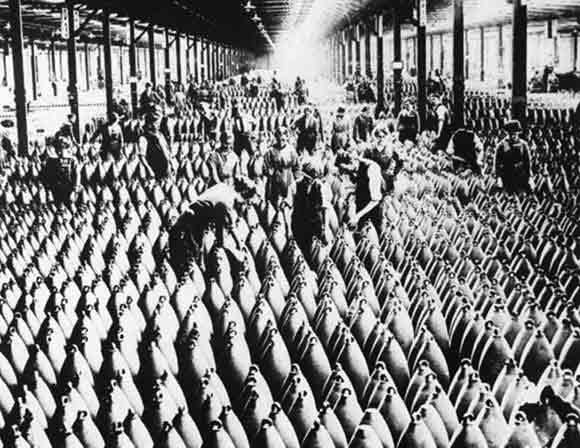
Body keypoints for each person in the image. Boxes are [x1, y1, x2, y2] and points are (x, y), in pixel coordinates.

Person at [168, 178, 257, 275]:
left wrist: (237, 243)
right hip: (187, 226)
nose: (243, 204)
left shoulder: (223, 187)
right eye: (245, 201)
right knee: (190, 260)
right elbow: (223, 236)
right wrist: (239, 252)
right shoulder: (226, 203)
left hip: (191, 221)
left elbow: (227, 225)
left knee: (197, 254)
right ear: (243, 193)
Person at [336, 150, 399, 235]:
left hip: (373, 204)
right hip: (365, 195)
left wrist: (357, 216)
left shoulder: (373, 170)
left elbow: (375, 200)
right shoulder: (360, 162)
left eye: (347, 166)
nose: (348, 169)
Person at [292, 157, 332, 256]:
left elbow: (325, 208)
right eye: (308, 179)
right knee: (303, 250)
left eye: (312, 179)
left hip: (316, 223)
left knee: (317, 252)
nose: (310, 181)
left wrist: (326, 227)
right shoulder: (295, 185)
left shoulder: (320, 187)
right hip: (300, 223)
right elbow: (290, 207)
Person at [494, 119, 534, 194]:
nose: (513, 135)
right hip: (507, 177)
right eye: (511, 133)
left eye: (515, 133)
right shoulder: (501, 145)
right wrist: (498, 178)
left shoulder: (523, 144)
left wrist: (530, 177)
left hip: (521, 177)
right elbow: (497, 163)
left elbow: (527, 163)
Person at [264, 126, 299, 208]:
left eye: (283, 139)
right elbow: (265, 166)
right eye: (279, 139)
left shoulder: (291, 150)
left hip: (289, 179)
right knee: (276, 204)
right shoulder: (270, 151)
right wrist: (269, 172)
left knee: (288, 205)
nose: (281, 142)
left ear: (287, 138)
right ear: (276, 137)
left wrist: (295, 180)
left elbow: (297, 166)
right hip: (276, 181)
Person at [41, 135, 80, 203]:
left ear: (66, 148)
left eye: (61, 148)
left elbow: (77, 177)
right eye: (57, 148)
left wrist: (74, 192)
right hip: (56, 192)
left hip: (69, 192)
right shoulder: (51, 161)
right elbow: (47, 178)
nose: (59, 151)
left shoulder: (72, 161)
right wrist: (49, 192)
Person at [140, 105, 172, 179]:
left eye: (158, 122)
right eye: (155, 122)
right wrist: (149, 169)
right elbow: (142, 156)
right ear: (149, 124)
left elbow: (166, 151)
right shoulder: (144, 138)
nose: (158, 124)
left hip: (166, 170)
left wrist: (170, 164)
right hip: (154, 170)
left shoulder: (160, 135)